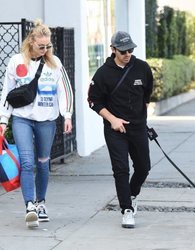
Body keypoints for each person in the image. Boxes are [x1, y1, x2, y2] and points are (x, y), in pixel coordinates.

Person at [0, 19, 73, 228]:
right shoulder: (16, 62)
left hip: (47, 120)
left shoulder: (55, 63)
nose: (44, 50)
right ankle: (29, 205)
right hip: (22, 118)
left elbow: (64, 91)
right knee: (26, 162)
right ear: (31, 42)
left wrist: (66, 115)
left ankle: (41, 202)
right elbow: (7, 92)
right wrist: (3, 120)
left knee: (42, 162)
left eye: (47, 46)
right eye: (41, 46)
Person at [88, 31, 153, 228]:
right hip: (115, 129)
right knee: (121, 170)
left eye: (130, 50)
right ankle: (126, 210)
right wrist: (113, 119)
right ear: (113, 49)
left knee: (143, 167)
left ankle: (132, 194)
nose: (127, 54)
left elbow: (147, 94)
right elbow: (93, 101)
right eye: (123, 50)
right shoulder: (103, 73)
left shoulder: (142, 68)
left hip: (138, 127)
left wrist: (140, 118)